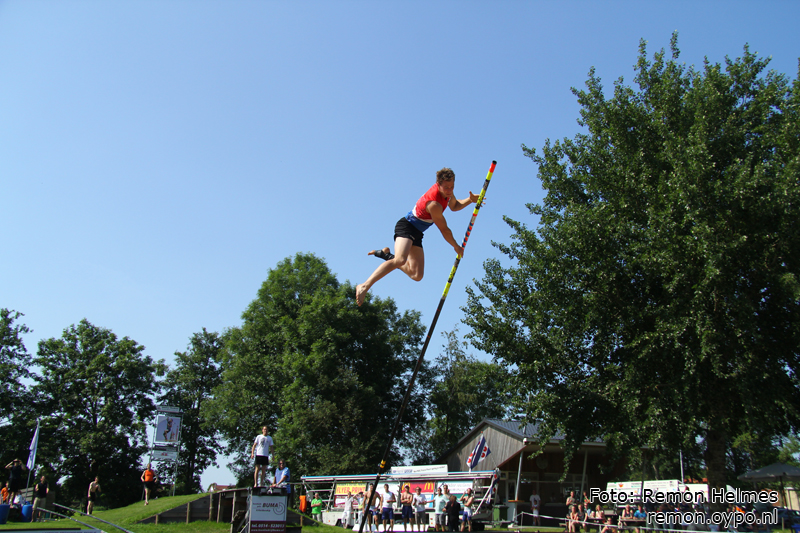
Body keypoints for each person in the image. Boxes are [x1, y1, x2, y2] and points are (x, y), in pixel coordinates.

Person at [356, 168, 481, 306]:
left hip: (417, 233)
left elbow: (455, 206)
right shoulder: (434, 204)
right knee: (400, 260)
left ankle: (386, 255)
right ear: (438, 185)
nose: (449, 190)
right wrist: (456, 246)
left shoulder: (448, 192)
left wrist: (470, 200)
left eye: (452, 187)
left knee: (417, 275)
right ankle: (364, 285)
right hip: (406, 227)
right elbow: (444, 230)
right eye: (446, 187)